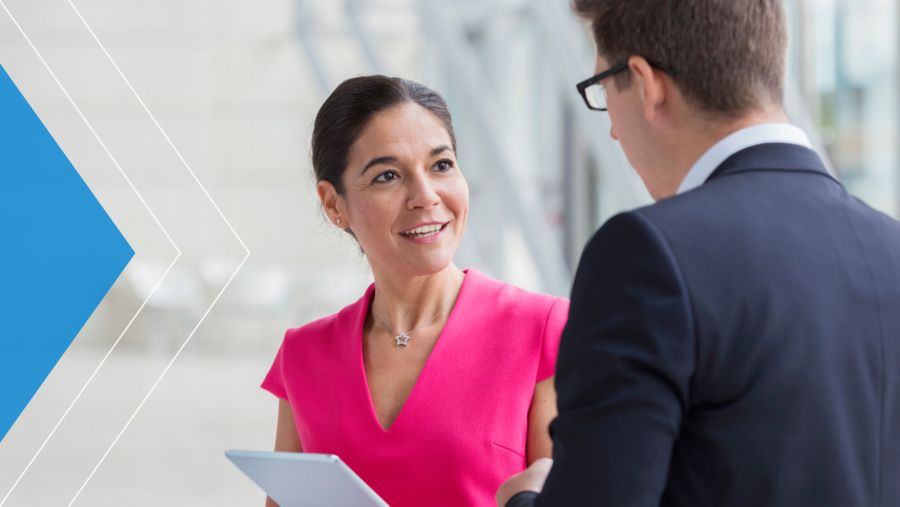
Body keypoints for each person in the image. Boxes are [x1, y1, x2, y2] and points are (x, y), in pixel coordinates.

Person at [497, 0, 900, 506]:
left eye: (602, 90)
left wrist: (527, 497)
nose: (614, 130)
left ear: (647, 84)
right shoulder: (890, 247)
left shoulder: (648, 255)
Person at [261, 75, 569, 507]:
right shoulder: (304, 356)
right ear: (334, 204)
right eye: (388, 175)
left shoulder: (543, 331)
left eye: (441, 165)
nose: (425, 196)